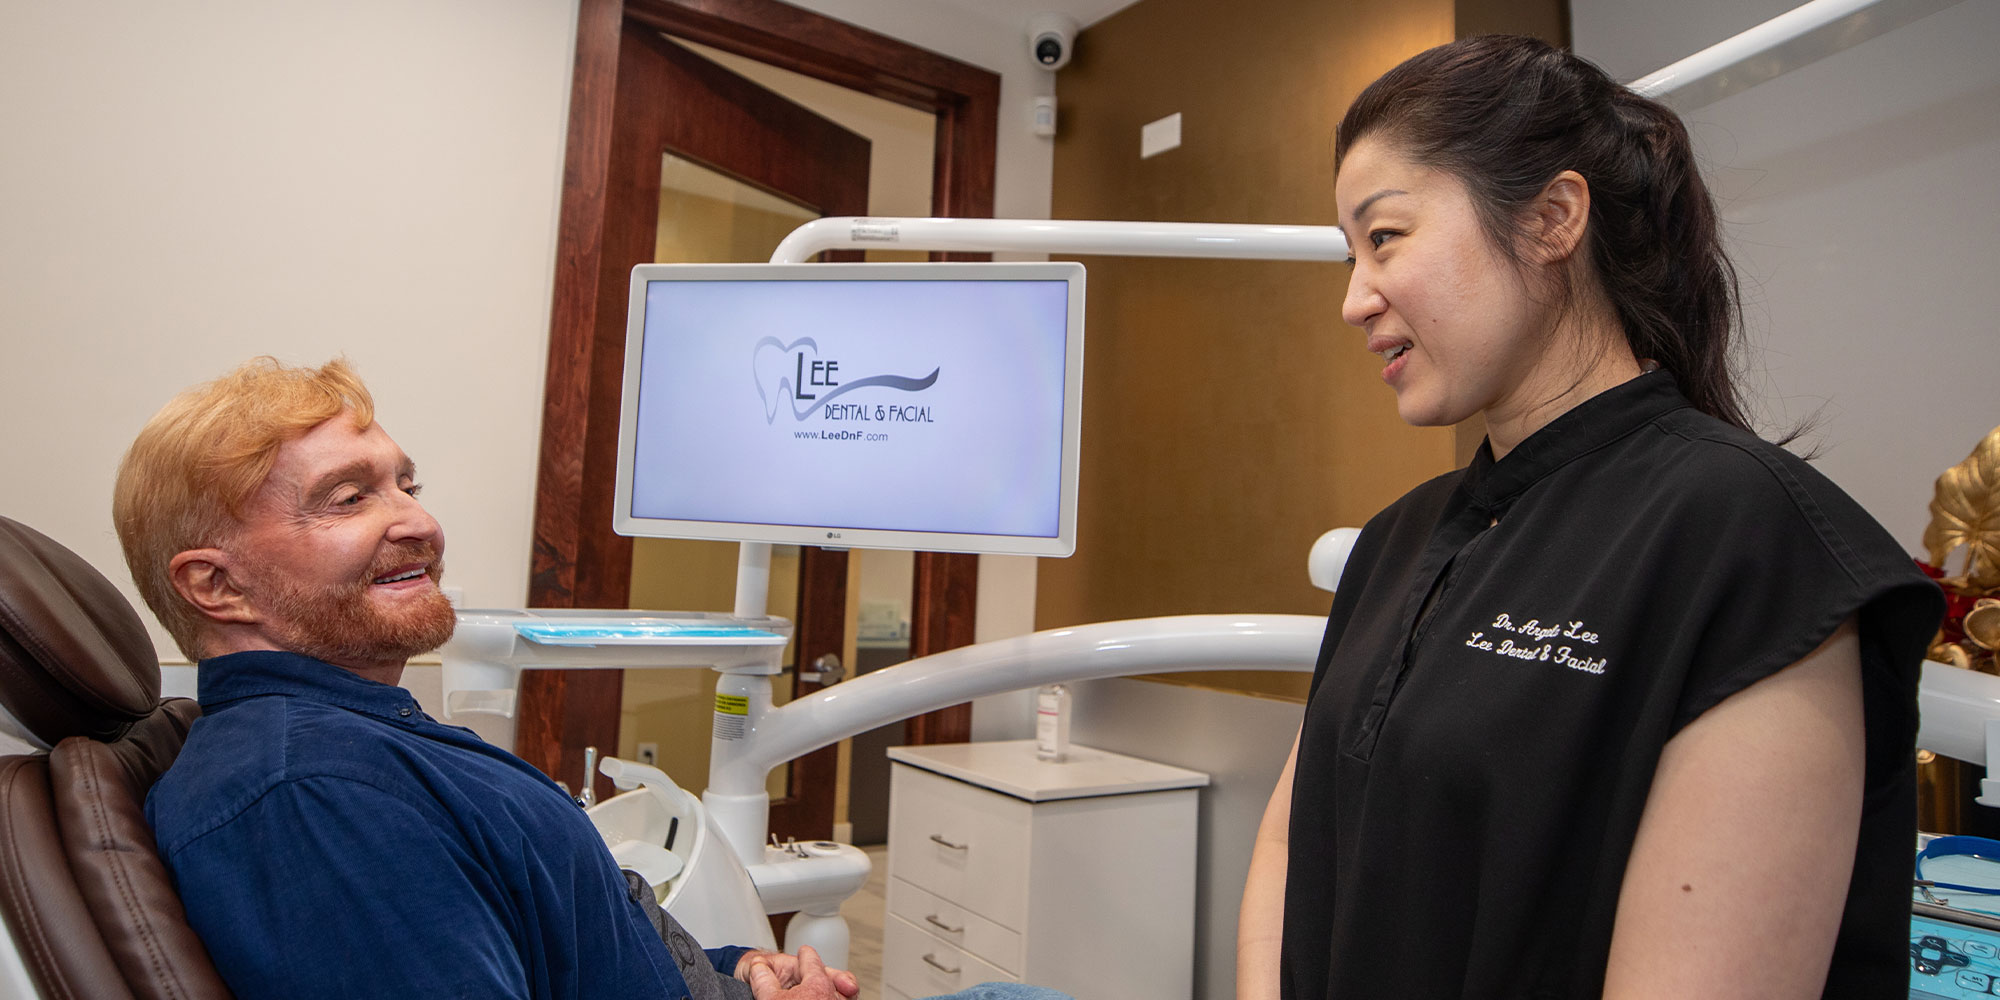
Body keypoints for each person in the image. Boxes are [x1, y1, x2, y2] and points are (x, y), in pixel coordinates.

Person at [1234, 36, 1943, 1000]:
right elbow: (1293, 831)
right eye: (1349, 254)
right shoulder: (1398, 540)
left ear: (1553, 217)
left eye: (1385, 237)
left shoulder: (1749, 540)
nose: (1355, 298)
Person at [116, 358, 1065, 1000]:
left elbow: (571, 943)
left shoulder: (360, 736)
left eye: (407, 483)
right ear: (215, 583)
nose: (417, 521)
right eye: (350, 497)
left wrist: (736, 972)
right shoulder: (308, 796)